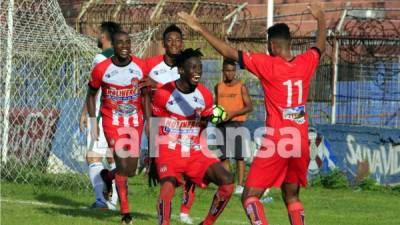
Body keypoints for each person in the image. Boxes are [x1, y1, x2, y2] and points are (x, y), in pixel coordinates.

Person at [178, 1, 326, 224]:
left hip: (278, 140)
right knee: (292, 195)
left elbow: (228, 51)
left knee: (249, 196)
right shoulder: (306, 62)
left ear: (273, 46)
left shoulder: (268, 64)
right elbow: (320, 45)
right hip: (301, 141)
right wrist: (321, 18)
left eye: (268, 46)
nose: (267, 49)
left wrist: (200, 28)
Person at [152, 48, 234, 225]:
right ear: (181, 70)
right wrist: (152, 157)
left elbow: (204, 124)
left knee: (227, 182)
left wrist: (215, 120)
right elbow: (153, 124)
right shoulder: (163, 93)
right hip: (169, 151)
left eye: (200, 67)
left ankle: (207, 223)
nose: (198, 71)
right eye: (193, 67)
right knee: (167, 189)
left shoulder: (204, 95)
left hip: (195, 152)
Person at [87, 31, 151, 224]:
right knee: (122, 164)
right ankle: (125, 213)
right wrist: (93, 123)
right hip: (112, 121)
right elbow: (91, 95)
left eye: (127, 42)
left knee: (131, 170)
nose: (124, 46)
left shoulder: (141, 66)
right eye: (120, 43)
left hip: (134, 122)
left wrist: (148, 121)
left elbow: (146, 95)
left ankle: (107, 176)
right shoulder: (102, 69)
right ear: (113, 46)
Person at [145, 24, 197, 224]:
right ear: (163, 44)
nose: (174, 44)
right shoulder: (151, 66)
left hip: (185, 126)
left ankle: (184, 212)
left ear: (182, 43)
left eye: (178, 40)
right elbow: (145, 96)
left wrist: (156, 86)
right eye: (170, 40)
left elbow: (189, 94)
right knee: (159, 174)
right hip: (160, 126)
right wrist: (148, 122)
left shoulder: (189, 65)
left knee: (190, 169)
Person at [79, 21, 120, 210]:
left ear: (104, 37)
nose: (97, 37)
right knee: (113, 159)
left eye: (99, 33)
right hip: (123, 118)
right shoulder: (126, 58)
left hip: (104, 116)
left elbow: (93, 89)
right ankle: (111, 202)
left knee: (93, 158)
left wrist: (84, 113)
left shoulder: (100, 58)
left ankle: (101, 201)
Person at [215, 58, 253, 195]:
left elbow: (249, 107)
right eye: (227, 71)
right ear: (223, 71)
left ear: (235, 71)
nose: (230, 73)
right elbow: (216, 105)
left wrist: (233, 113)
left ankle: (240, 185)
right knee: (223, 156)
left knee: (239, 156)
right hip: (221, 124)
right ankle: (228, 182)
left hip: (237, 123)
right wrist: (215, 116)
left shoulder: (241, 86)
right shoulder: (218, 86)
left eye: (232, 71)